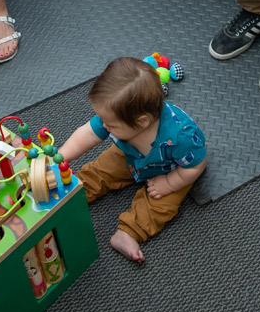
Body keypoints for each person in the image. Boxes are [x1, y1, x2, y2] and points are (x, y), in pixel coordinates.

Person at [58, 57, 207, 262]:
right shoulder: (115, 116)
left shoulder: (181, 137)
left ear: (142, 122)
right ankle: (71, 192)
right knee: (101, 169)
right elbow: (87, 134)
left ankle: (129, 232)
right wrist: (59, 157)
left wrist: (169, 183)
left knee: (162, 205)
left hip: (171, 170)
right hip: (130, 154)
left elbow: (196, 165)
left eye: (110, 124)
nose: (104, 126)